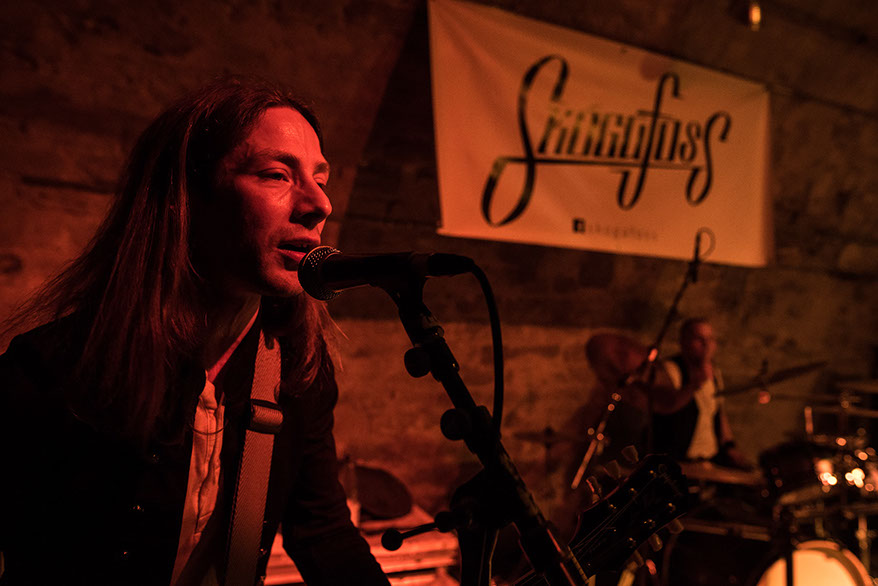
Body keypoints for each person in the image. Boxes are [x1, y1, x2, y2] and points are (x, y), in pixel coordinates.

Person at [0, 77, 390, 586]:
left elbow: (326, 535)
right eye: (276, 175)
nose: (320, 204)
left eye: (321, 179)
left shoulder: (295, 371)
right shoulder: (50, 370)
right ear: (187, 196)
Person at [650, 317, 749, 469]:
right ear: (683, 342)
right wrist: (695, 384)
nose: (706, 344)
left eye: (710, 339)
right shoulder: (670, 369)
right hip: (678, 461)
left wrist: (730, 446)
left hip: (710, 459)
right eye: (699, 339)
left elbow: (718, 414)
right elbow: (666, 406)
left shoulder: (714, 373)